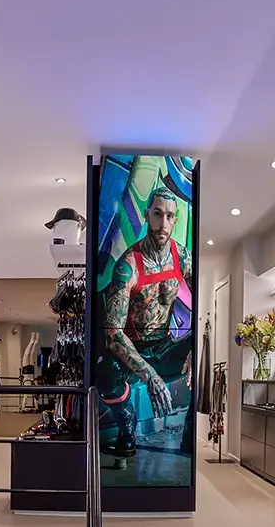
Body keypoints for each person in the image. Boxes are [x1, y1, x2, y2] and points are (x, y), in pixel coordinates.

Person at [97, 186, 194, 461]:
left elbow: (205, 311)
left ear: (175, 220)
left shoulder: (182, 257)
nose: (163, 223)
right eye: (157, 214)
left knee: (204, 356)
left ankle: (190, 441)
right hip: (134, 352)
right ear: (146, 214)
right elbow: (113, 334)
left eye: (169, 216)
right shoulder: (127, 265)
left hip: (165, 347)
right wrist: (149, 376)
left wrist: (196, 348)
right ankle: (127, 431)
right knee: (104, 373)